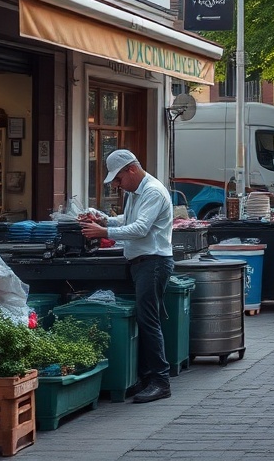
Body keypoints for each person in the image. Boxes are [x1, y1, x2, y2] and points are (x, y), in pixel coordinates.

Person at [79, 149, 174, 404]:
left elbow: (141, 228)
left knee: (149, 321)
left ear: (131, 169)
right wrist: (104, 220)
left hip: (153, 262)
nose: (117, 185)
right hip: (143, 263)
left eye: (119, 179)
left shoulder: (152, 191)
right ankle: (147, 377)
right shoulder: (136, 192)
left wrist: (103, 231)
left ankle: (160, 381)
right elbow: (128, 220)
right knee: (146, 320)